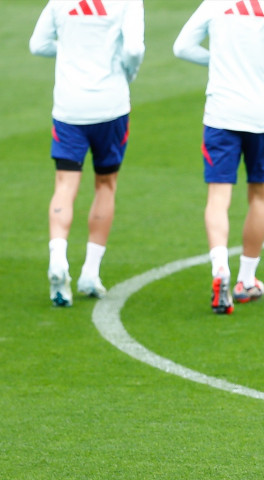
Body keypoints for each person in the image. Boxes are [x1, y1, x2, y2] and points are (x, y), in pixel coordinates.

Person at [173, 0, 264, 314]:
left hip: (221, 112)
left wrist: (220, 62)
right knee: (259, 195)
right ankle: (246, 280)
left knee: (218, 196)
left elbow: (182, 47)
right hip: (263, 115)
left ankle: (220, 267)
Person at [30, 0, 145, 307]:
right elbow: (133, 50)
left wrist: (70, 50)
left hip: (69, 107)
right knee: (105, 184)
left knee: (64, 185)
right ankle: (90, 273)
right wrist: (127, 72)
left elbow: (37, 44)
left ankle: (58, 259)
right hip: (110, 105)